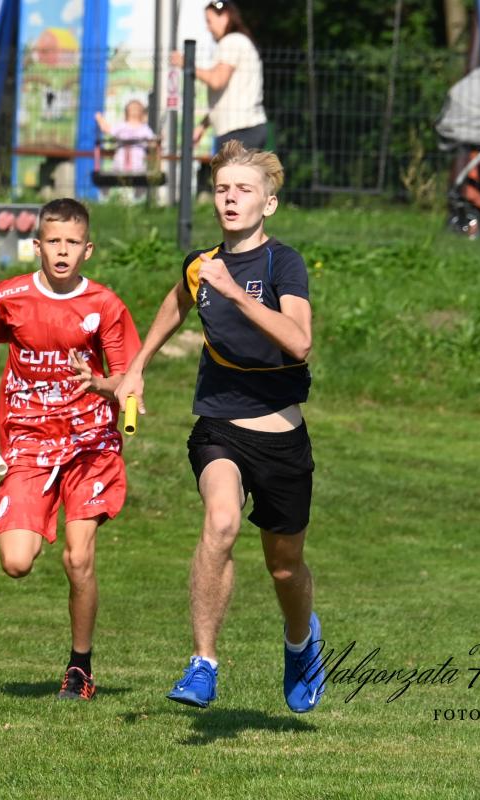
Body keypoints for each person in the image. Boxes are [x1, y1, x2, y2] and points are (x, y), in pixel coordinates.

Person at [113, 141, 325, 713]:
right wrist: (136, 368)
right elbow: (175, 303)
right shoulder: (200, 264)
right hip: (219, 427)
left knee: (284, 566)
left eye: (244, 190)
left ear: (268, 203)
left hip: (281, 436)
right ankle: (203, 664)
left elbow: (300, 342)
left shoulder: (283, 263)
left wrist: (234, 291)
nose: (230, 199)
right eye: (222, 189)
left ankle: (300, 642)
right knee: (222, 522)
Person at [0, 198, 141, 702]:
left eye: (72, 243)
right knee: (16, 562)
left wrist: (104, 385)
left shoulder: (105, 305)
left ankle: (79, 668)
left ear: (88, 249)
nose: (62, 251)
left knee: (77, 556)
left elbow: (128, 380)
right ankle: (32, 512)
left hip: (90, 442)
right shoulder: (7, 297)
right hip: (28, 439)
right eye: (53, 242)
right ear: (37, 245)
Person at [171, 0, 267, 151]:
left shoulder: (231, 42)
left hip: (239, 131)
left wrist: (187, 64)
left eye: (209, 21)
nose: (208, 28)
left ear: (225, 17)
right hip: (245, 129)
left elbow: (217, 81)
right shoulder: (240, 41)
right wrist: (203, 125)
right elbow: (226, 97)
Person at [95, 99, 157, 175]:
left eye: (136, 108)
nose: (134, 110)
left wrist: (155, 142)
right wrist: (99, 118)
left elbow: (153, 143)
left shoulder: (144, 129)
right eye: (133, 108)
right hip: (123, 165)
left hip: (134, 166)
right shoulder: (122, 126)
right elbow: (107, 129)